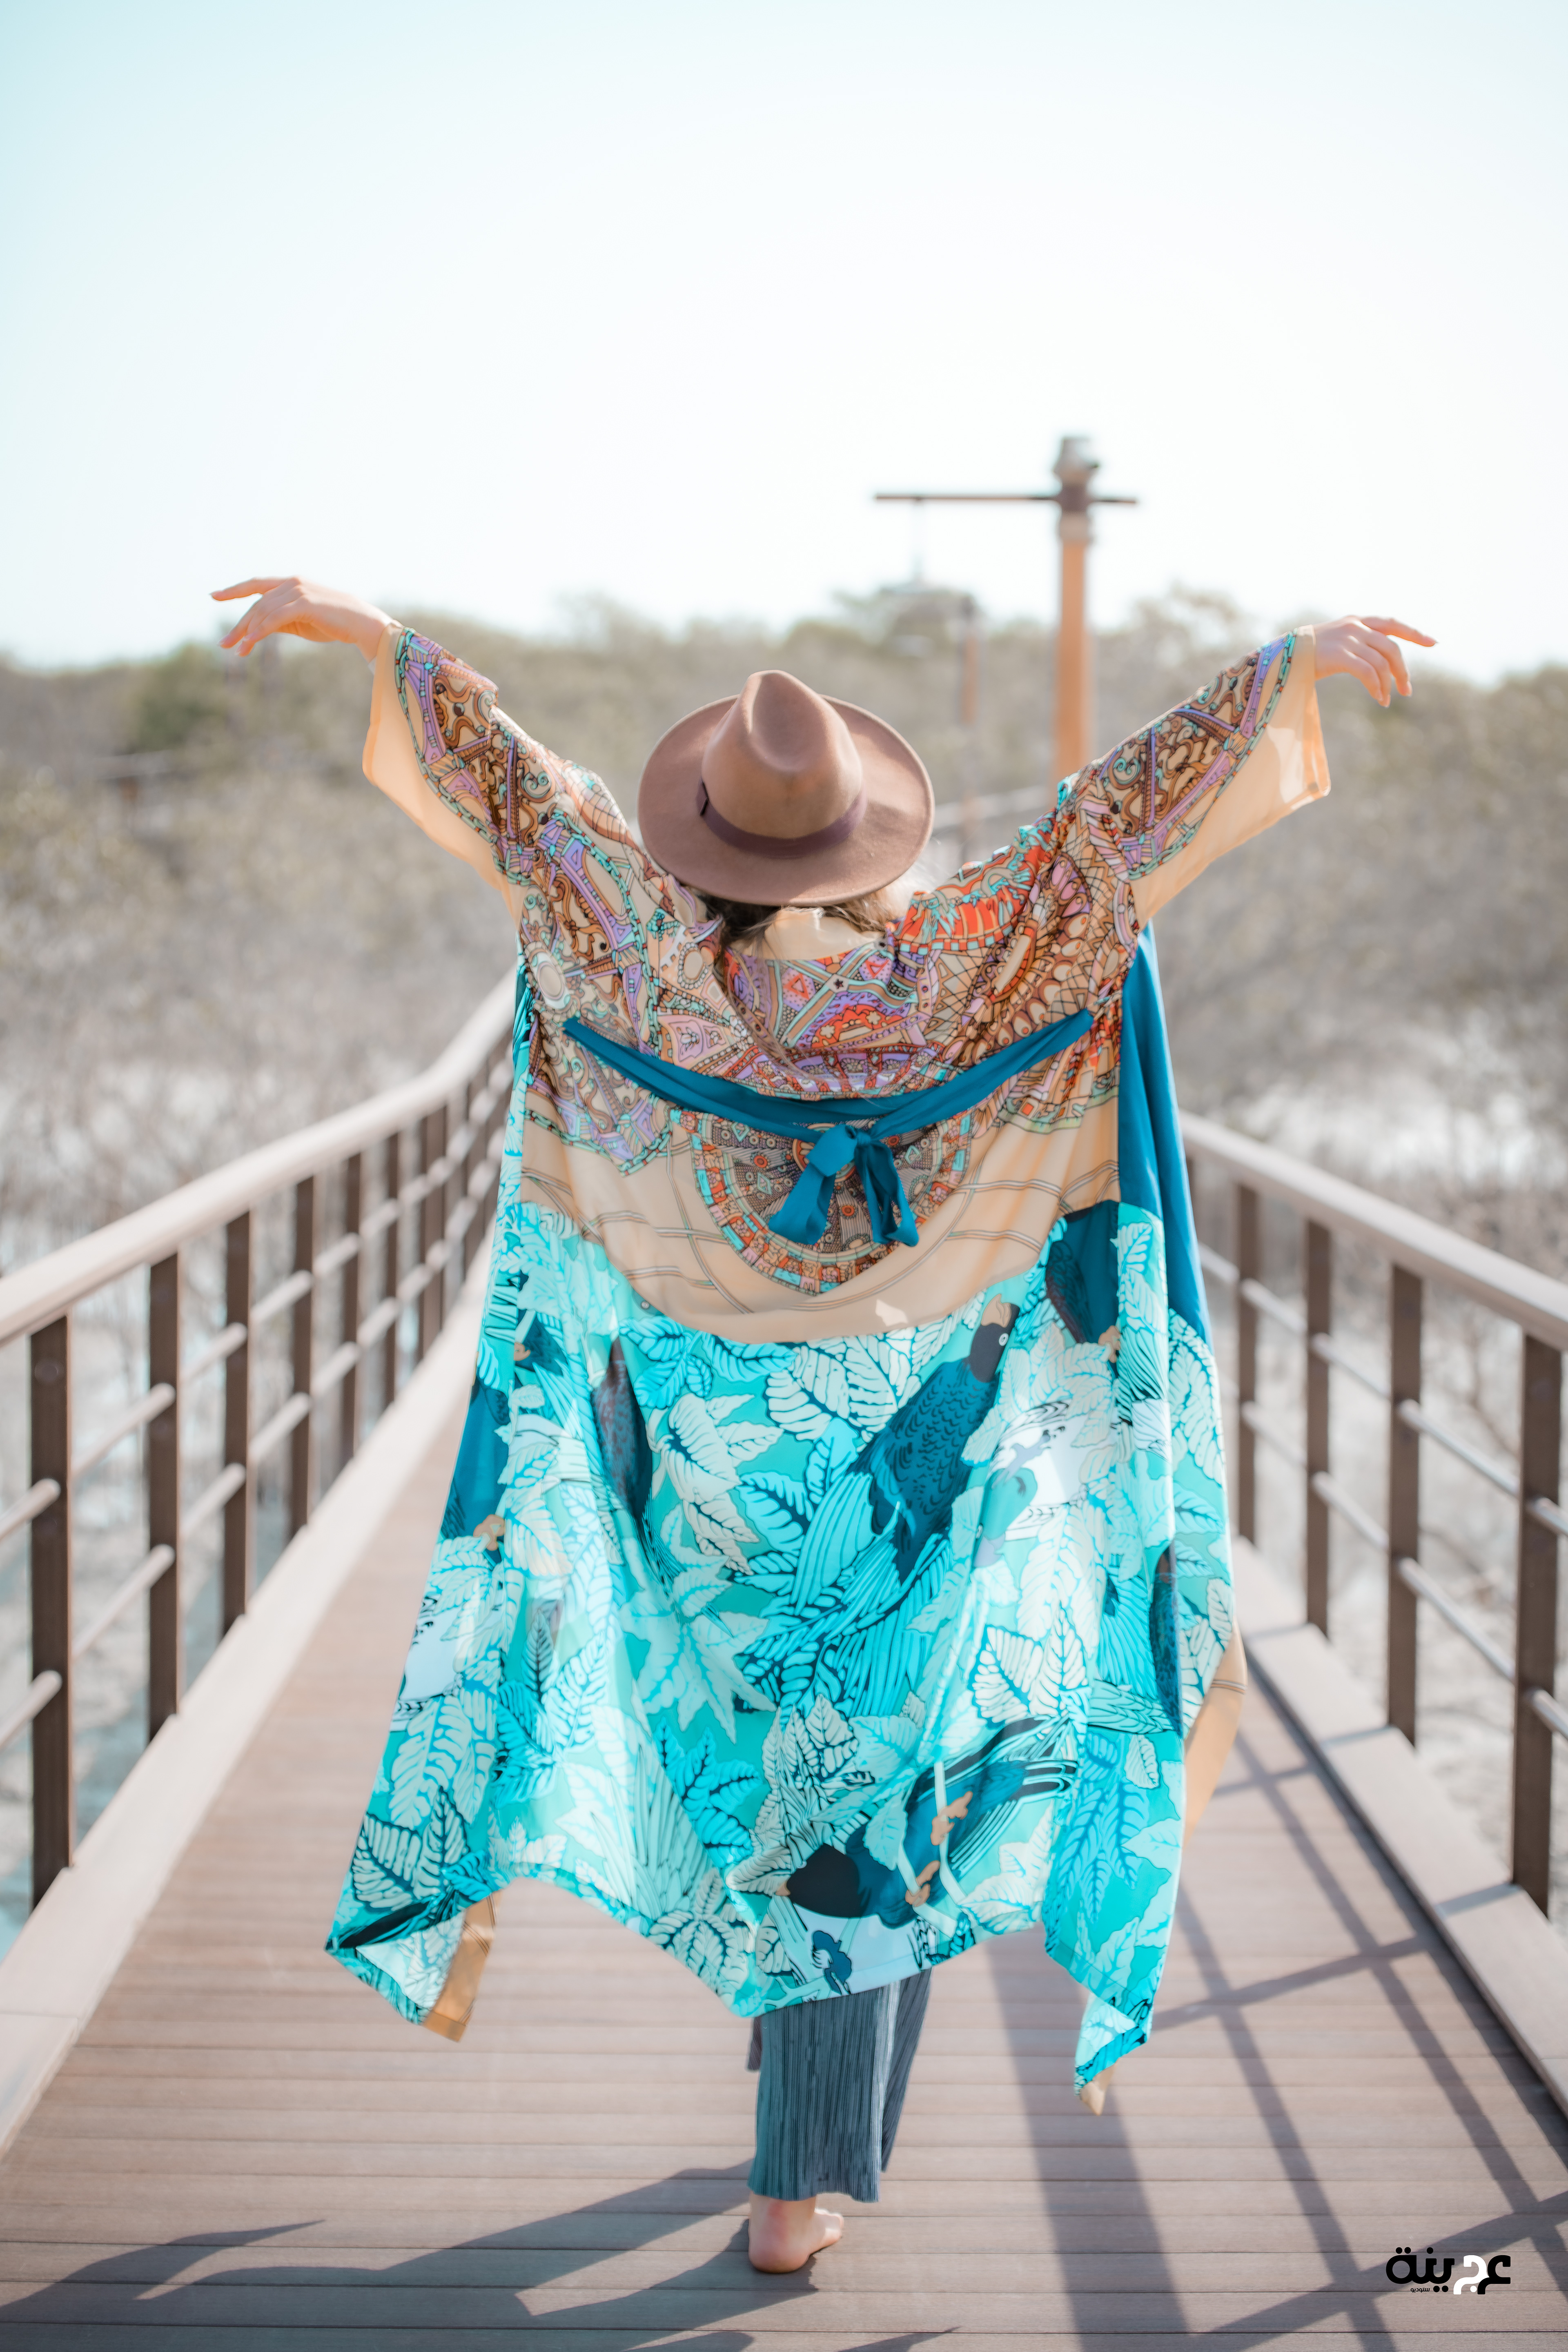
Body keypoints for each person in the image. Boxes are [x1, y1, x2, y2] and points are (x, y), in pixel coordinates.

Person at [215, 574, 1432, 2273]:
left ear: (705, 844)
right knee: (868, 1796)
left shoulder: (642, 956)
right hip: (894, 1453)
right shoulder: (953, 968)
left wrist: (378, 642)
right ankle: (794, 2195)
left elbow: (519, 796)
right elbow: (1107, 833)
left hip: (696, 1456)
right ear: (867, 845)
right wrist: (1281, 670)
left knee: (785, 1786)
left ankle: (796, 2095)